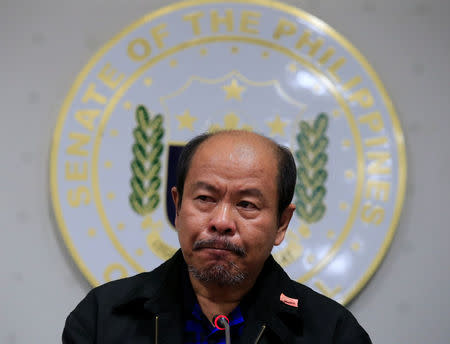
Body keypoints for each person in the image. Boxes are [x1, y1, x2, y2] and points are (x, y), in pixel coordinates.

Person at [63, 130, 372, 343]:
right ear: (177, 207)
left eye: (247, 204)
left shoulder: (332, 333)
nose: (222, 222)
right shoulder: (102, 318)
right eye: (205, 199)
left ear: (281, 223)